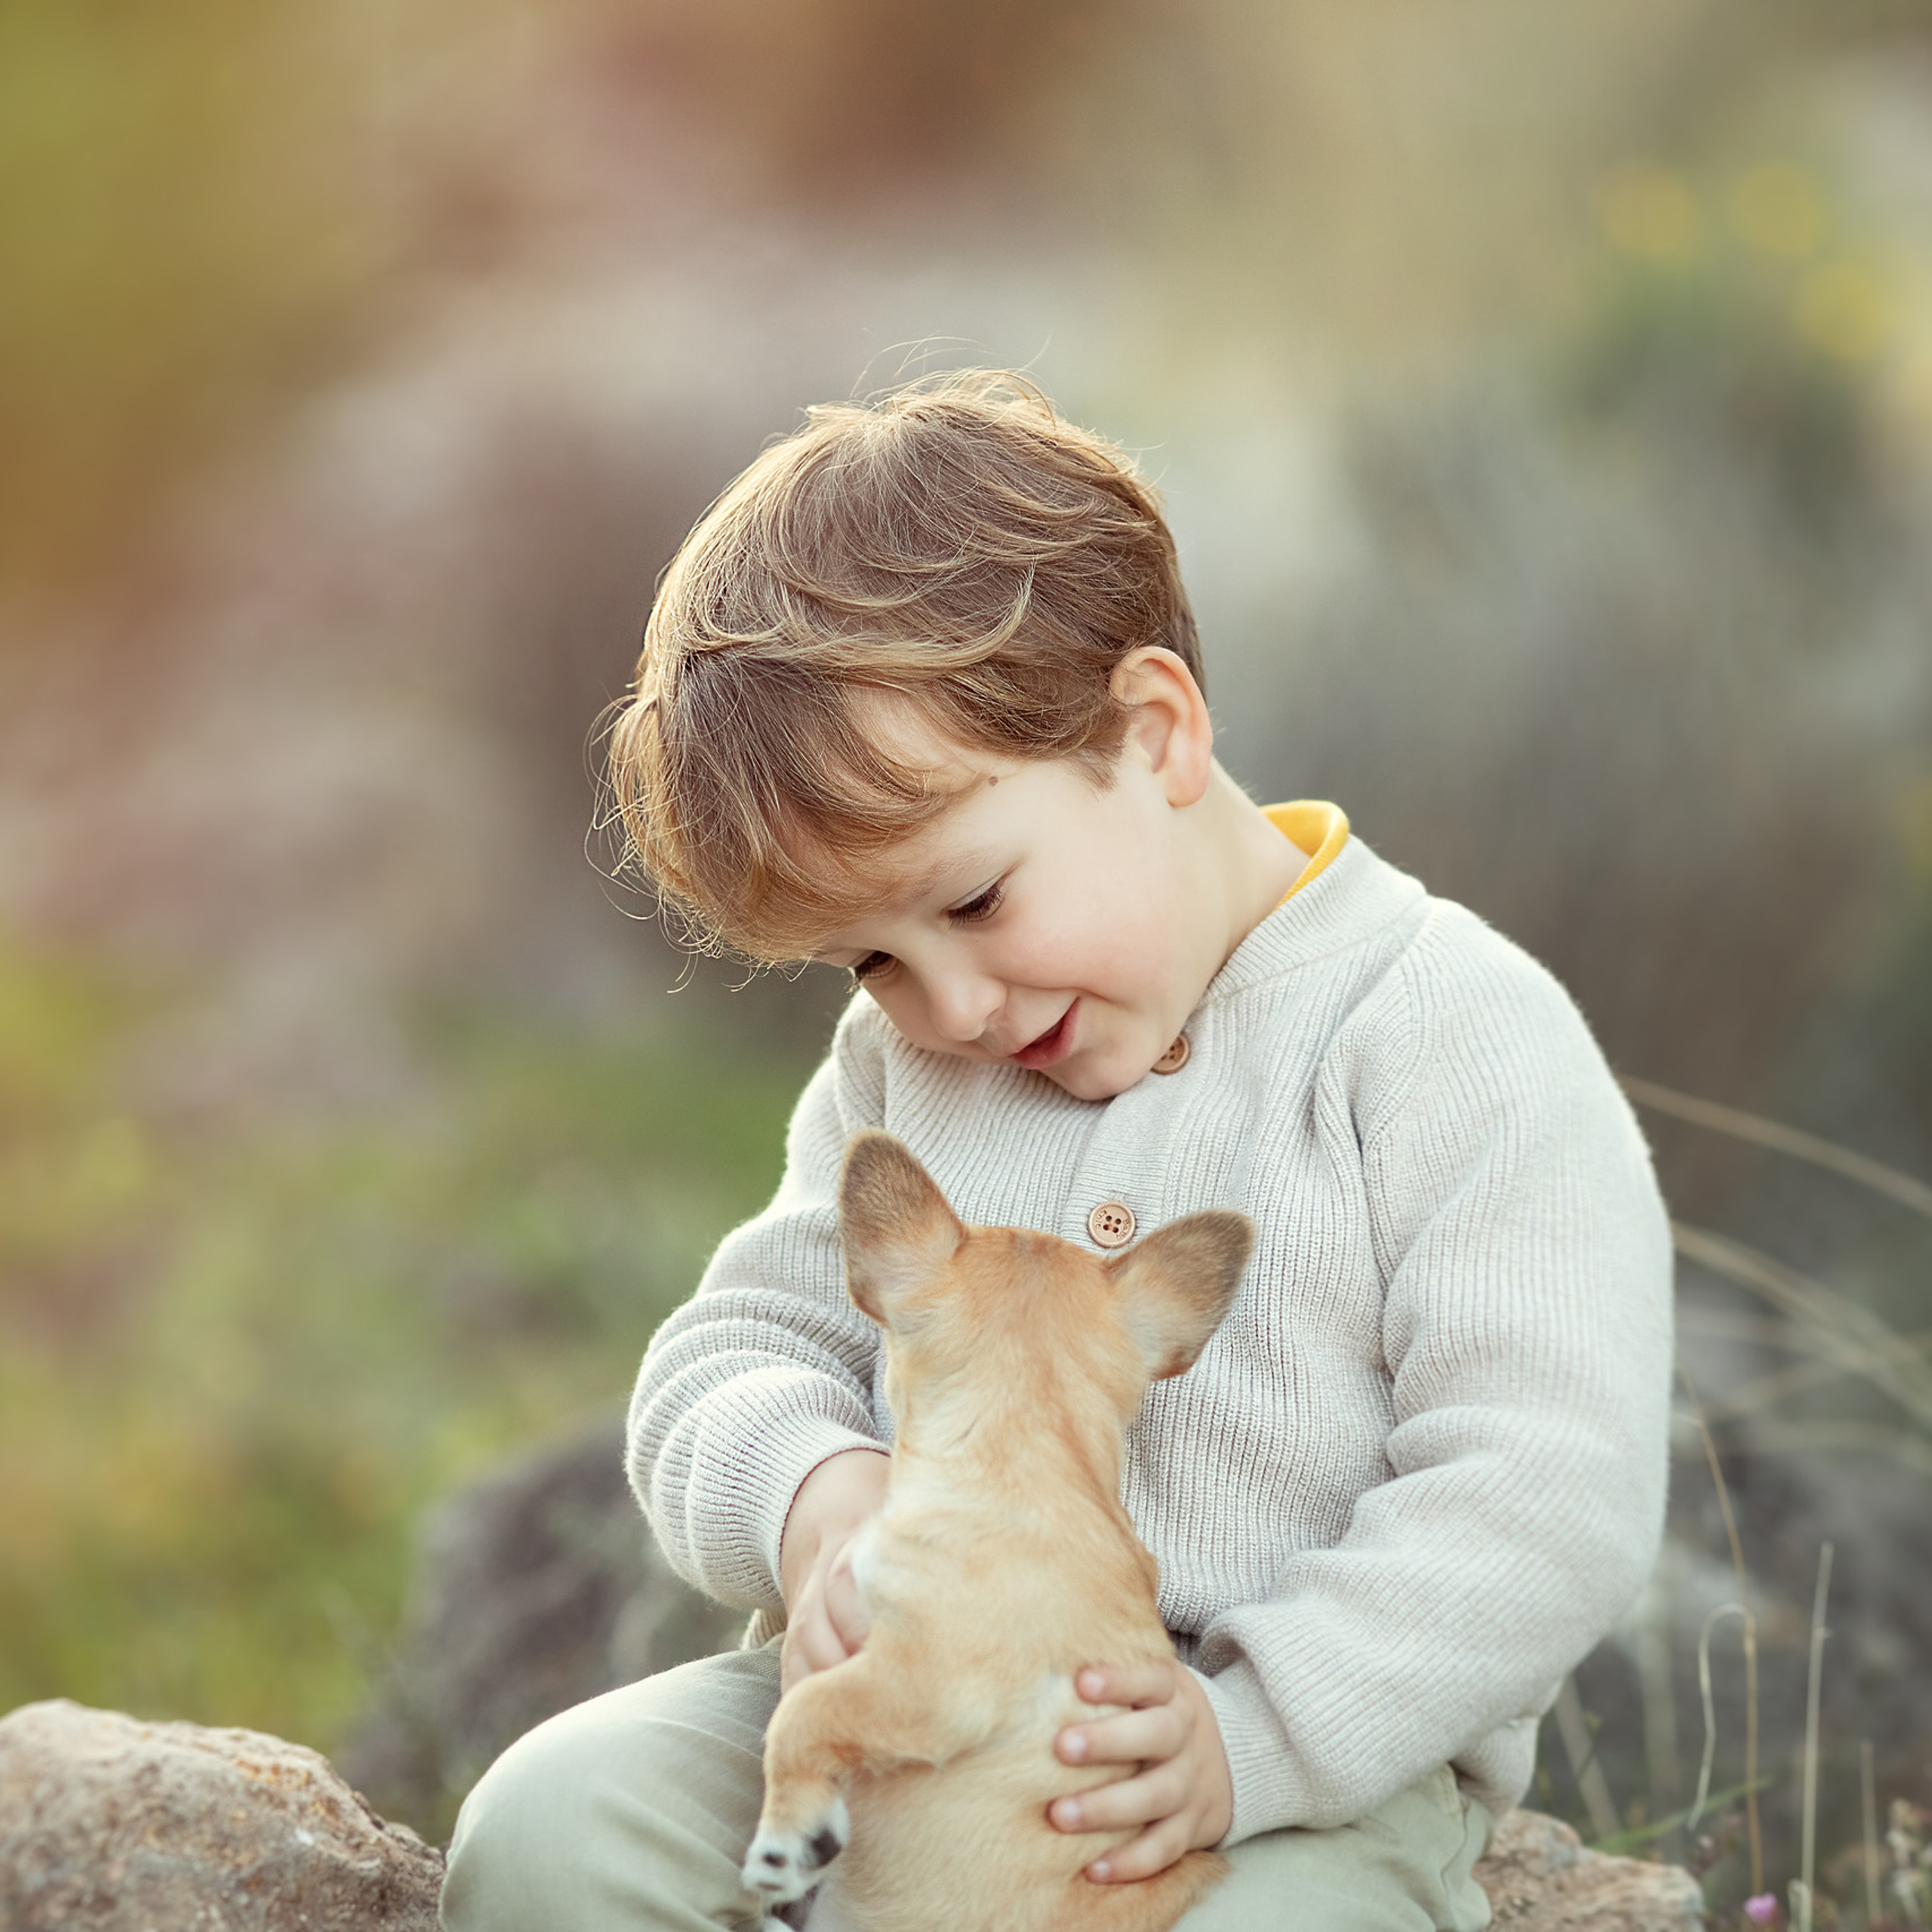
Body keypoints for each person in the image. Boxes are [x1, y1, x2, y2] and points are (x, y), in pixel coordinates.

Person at [439, 371, 1674, 1931]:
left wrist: (1258, 1731)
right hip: (905, 1708)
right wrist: (820, 1496)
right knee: (551, 1827)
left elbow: (1543, 1484)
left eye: (969, 902)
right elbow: (726, 1352)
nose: (945, 1003)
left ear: (1150, 732)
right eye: (868, 962)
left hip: (1249, 1791)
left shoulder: (1445, 1034)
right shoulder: (910, 1072)